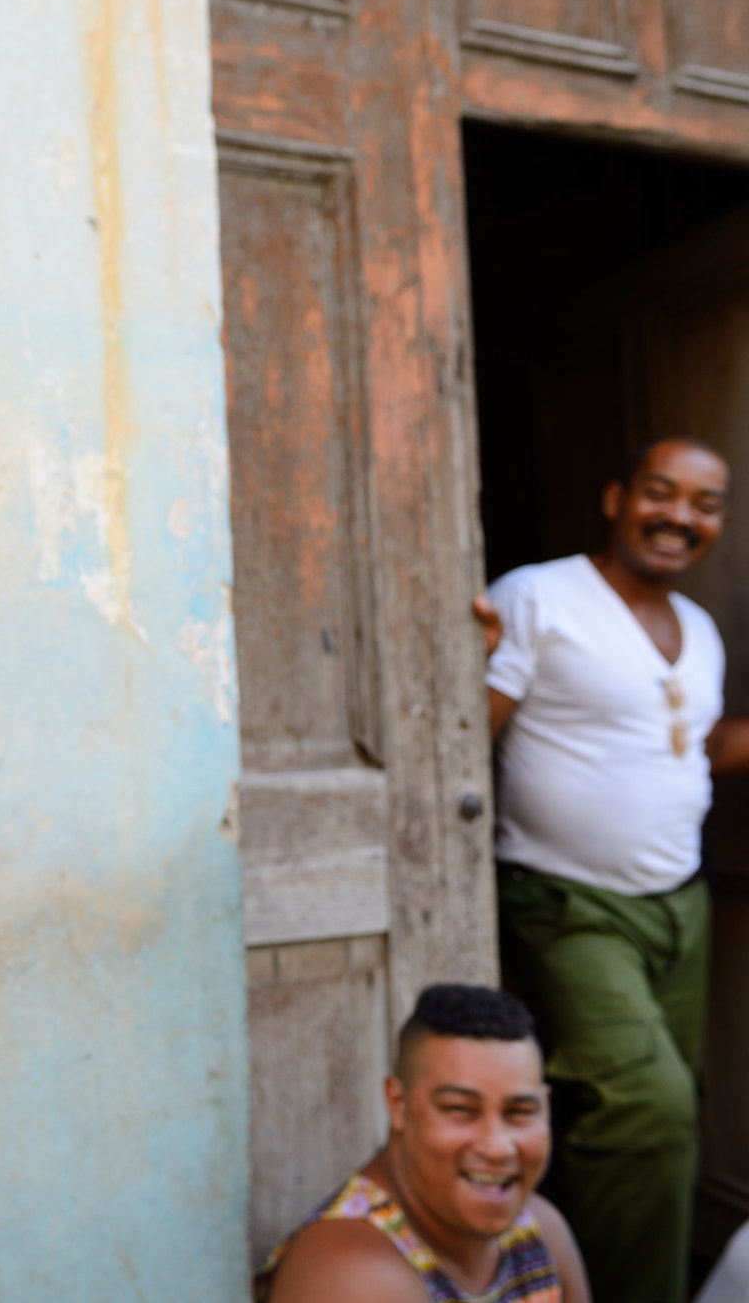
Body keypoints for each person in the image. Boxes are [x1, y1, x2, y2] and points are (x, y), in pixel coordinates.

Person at [474, 435, 749, 1303]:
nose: (679, 515)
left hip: (678, 902)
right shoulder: (541, 596)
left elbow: (687, 750)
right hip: (566, 898)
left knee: (639, 1113)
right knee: (649, 1107)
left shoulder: (697, 630)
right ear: (614, 496)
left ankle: (568, 1276)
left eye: (703, 503)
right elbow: (461, 726)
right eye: (660, 492)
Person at [256, 984, 589, 1303]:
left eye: (519, 1112)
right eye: (460, 1110)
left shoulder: (539, 1233)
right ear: (398, 1104)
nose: (497, 1147)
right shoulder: (353, 1274)